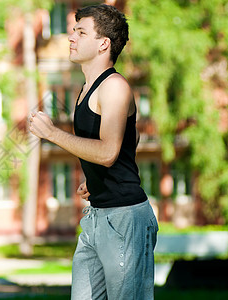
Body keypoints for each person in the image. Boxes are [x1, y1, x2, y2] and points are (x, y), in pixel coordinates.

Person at [29, 4, 159, 300]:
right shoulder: (87, 88)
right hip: (96, 218)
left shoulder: (114, 86)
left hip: (125, 219)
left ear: (104, 44)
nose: (71, 38)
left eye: (80, 32)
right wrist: (99, 175)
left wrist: (51, 134)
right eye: (73, 31)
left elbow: (109, 151)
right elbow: (130, 137)